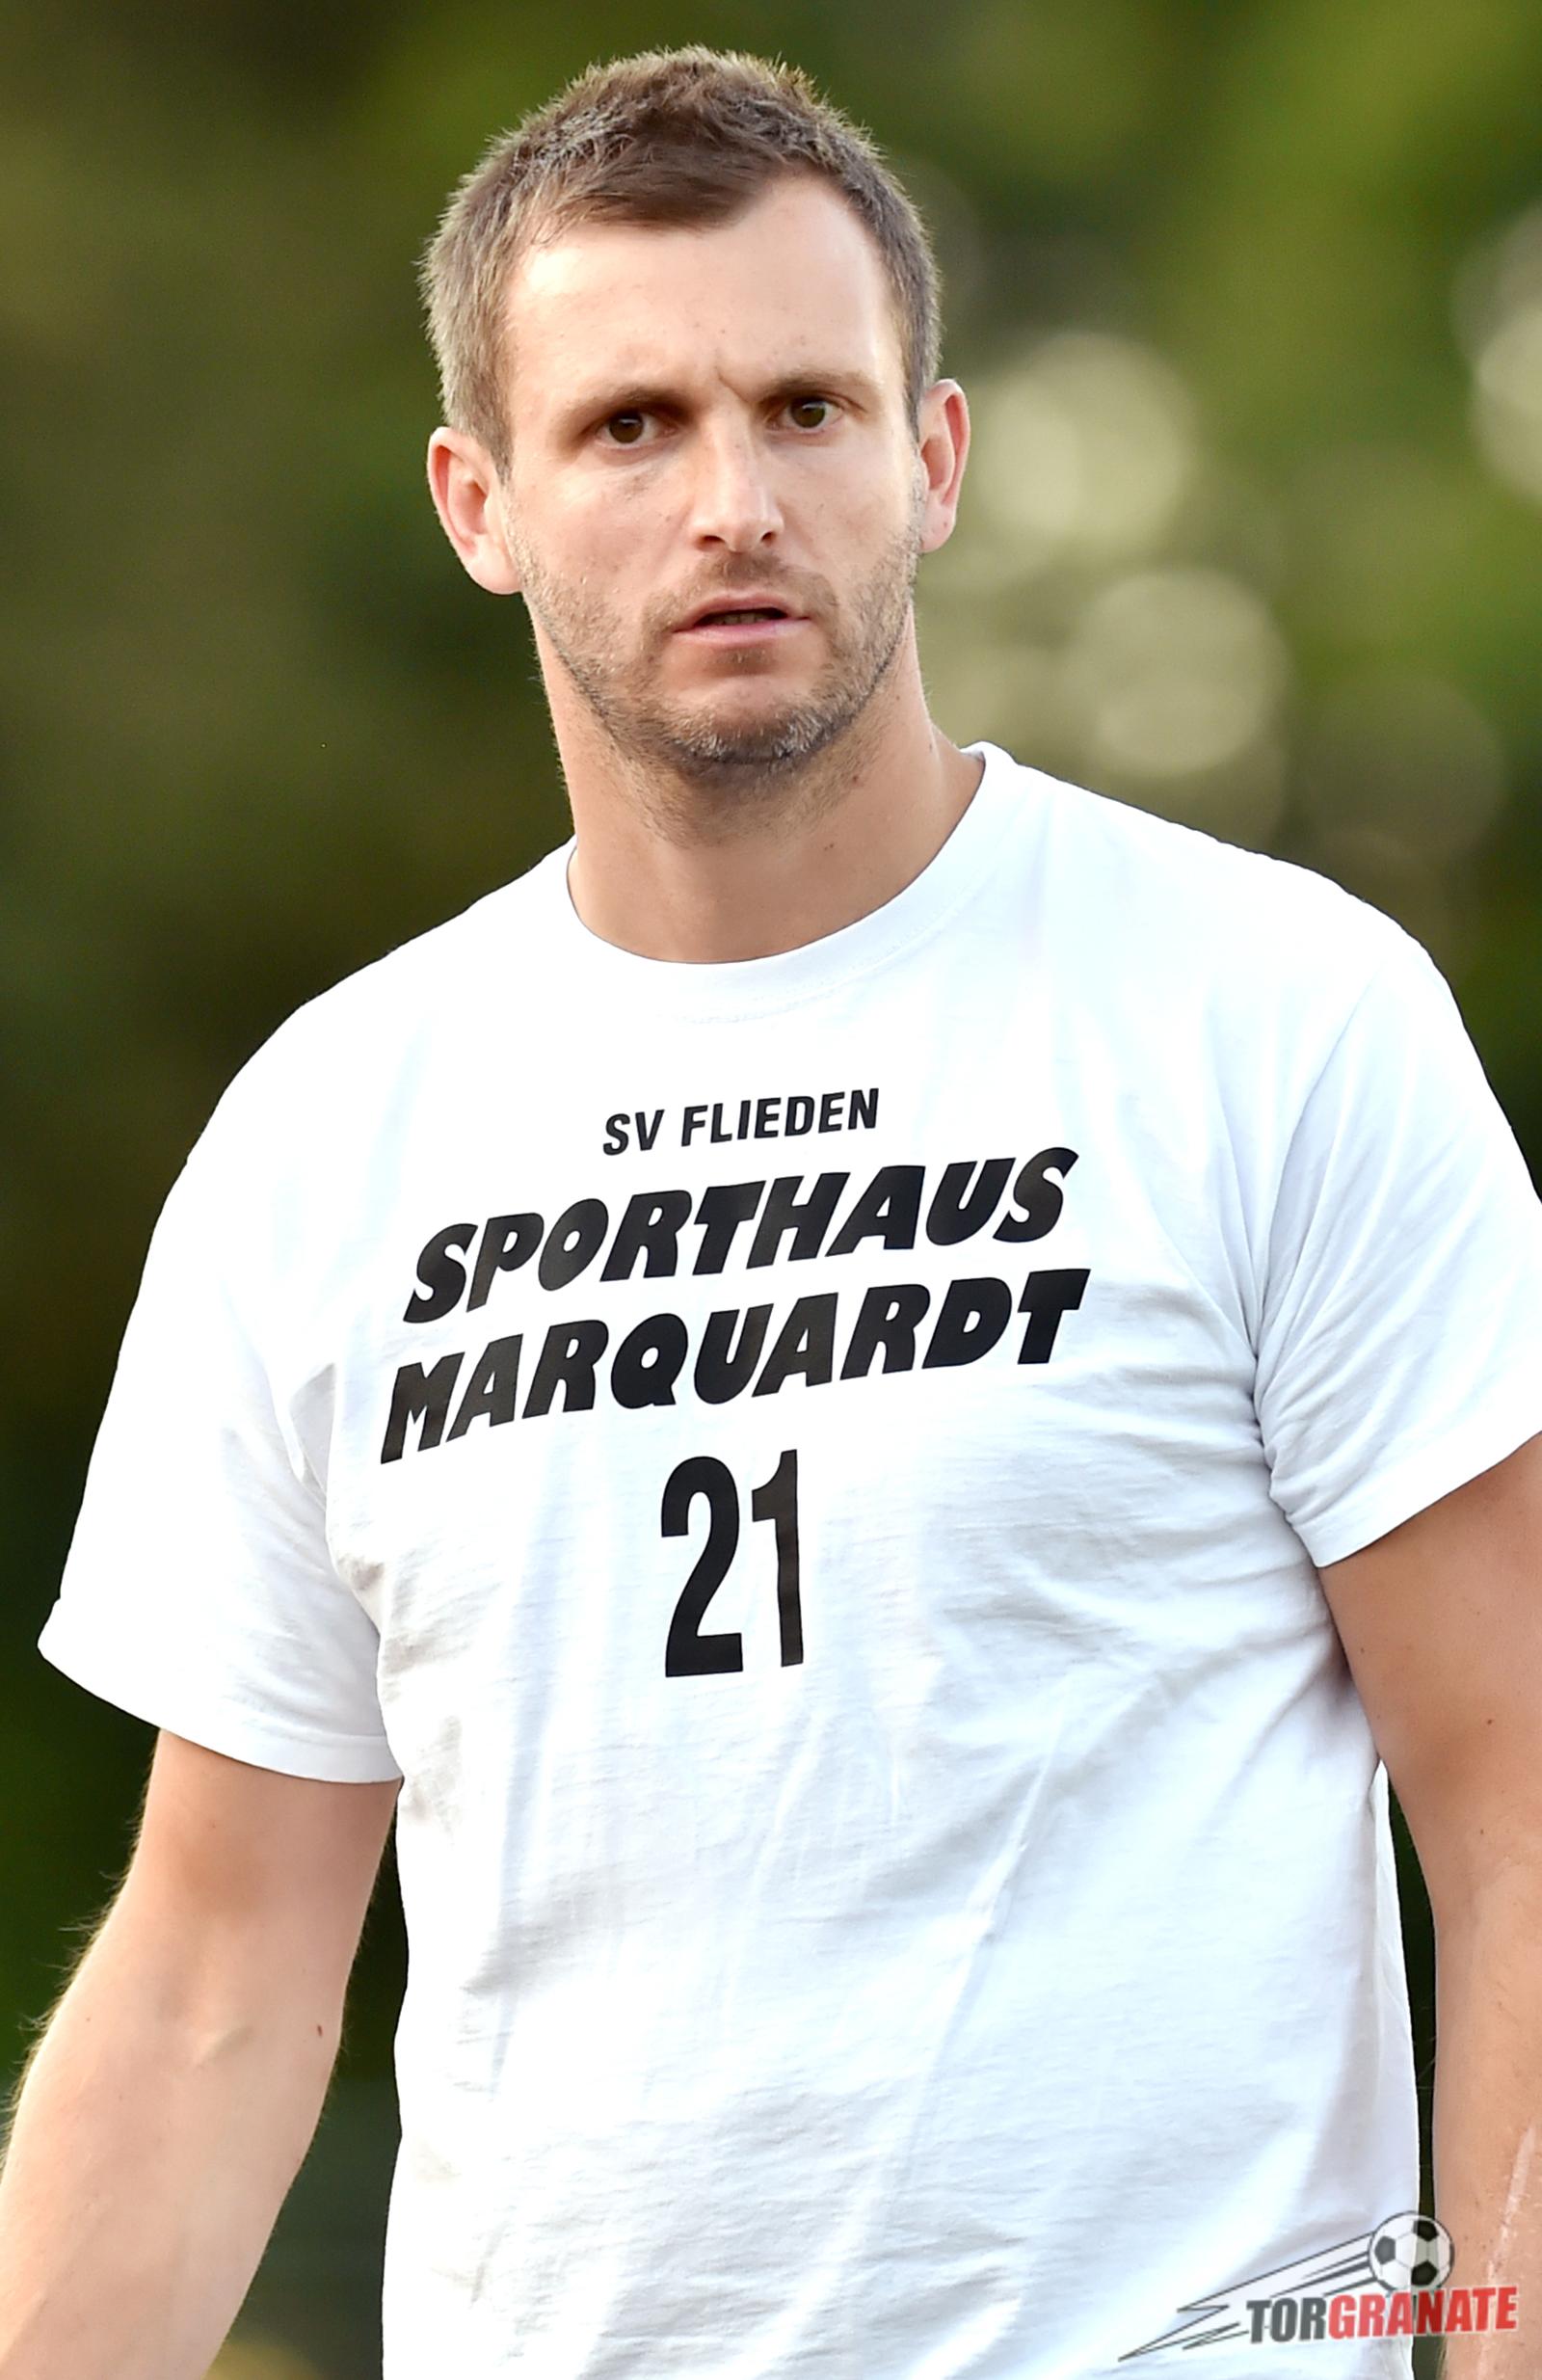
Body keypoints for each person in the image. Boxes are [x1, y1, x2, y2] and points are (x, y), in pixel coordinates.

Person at [3, 41, 1541, 2380]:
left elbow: (1514, 1808)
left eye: (805, 408)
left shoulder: (1268, 1016)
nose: (731, 500)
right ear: (478, 502)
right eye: (629, 425)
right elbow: (216, 1975)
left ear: (931, 460)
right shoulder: (328, 1133)